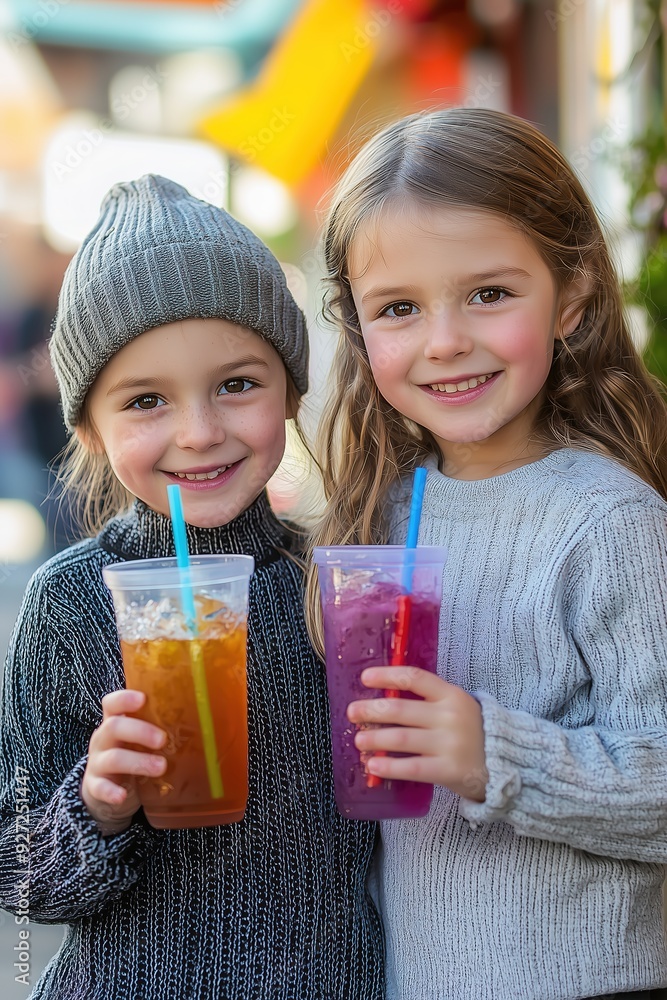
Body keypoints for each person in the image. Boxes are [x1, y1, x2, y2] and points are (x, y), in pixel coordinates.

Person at [306, 108, 667, 1000]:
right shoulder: (379, 517)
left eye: (489, 294)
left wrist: (490, 754)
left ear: (570, 297)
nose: (444, 340)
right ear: (357, 329)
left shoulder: (607, 521)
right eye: (399, 308)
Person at [0, 175, 384, 999]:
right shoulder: (70, 606)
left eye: (238, 383)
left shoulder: (337, 584)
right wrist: (96, 804)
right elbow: (20, 880)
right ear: (91, 432)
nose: (199, 431)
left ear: (291, 390)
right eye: (145, 401)